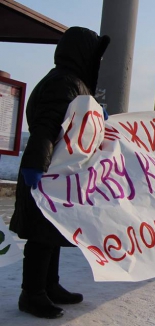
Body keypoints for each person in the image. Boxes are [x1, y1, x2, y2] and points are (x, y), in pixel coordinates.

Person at [9, 27, 110, 319]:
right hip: (46, 172)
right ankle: (32, 294)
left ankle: (50, 285)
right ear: (82, 54)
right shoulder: (64, 83)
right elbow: (46, 126)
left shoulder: (70, 82)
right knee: (41, 237)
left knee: (52, 232)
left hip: (56, 173)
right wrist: (34, 165)